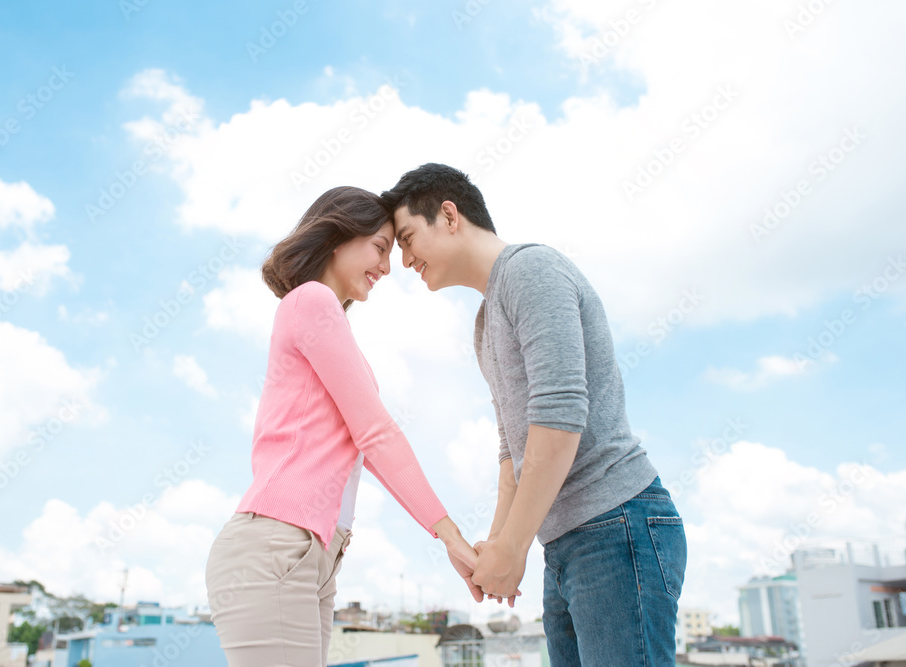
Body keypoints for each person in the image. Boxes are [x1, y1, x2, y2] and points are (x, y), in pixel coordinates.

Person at [380, 164, 688, 666]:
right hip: (565, 541)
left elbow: (561, 416)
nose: (406, 259)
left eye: (409, 239)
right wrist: (499, 544)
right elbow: (513, 454)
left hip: (617, 526)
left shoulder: (531, 270)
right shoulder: (484, 325)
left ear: (450, 216)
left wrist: (513, 547)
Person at [204, 185, 483, 667]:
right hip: (279, 544)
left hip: (314, 554)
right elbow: (375, 433)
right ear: (337, 237)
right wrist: (451, 538)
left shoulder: (323, 317)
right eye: (379, 247)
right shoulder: (311, 300)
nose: (387, 266)